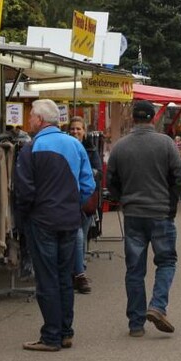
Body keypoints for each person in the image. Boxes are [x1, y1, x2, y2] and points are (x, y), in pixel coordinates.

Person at [13, 99, 96, 351]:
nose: (28, 122)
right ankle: (66, 331)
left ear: (40, 119)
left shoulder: (31, 148)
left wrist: (26, 217)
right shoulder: (75, 144)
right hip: (70, 220)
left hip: (42, 221)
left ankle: (51, 336)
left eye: (31, 118)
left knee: (47, 278)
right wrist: (73, 206)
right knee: (64, 276)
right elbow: (88, 185)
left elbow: (24, 191)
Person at [106, 100, 181, 337]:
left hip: (133, 214)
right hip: (160, 213)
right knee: (167, 261)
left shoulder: (120, 147)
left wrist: (124, 200)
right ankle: (157, 305)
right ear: (153, 118)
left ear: (133, 119)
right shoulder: (166, 144)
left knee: (134, 269)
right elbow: (179, 176)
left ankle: (136, 323)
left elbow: (111, 181)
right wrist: (171, 204)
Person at [68, 116, 101, 295]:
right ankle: (79, 273)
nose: (75, 132)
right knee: (78, 236)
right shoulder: (65, 147)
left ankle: (77, 271)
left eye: (78, 129)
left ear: (84, 131)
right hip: (70, 201)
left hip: (86, 200)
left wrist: (85, 173)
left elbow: (98, 172)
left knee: (81, 236)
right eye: (72, 129)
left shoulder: (90, 149)